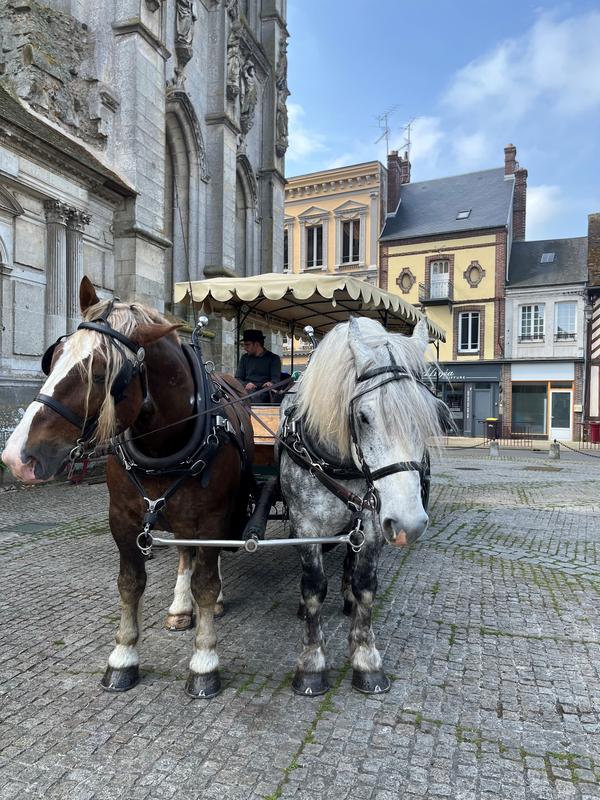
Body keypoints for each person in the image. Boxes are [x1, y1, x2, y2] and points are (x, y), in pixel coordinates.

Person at [235, 330, 282, 402]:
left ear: (256, 344)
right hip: (246, 391)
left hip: (265, 393)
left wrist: (270, 383)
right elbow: (238, 378)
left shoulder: (273, 358)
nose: (244, 347)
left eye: (247, 345)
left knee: (255, 397)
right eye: (244, 345)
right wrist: (246, 384)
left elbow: (276, 380)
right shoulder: (244, 358)